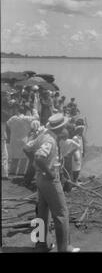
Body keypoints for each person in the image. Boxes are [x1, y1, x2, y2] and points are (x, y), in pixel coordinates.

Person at [23, 113, 80, 252]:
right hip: (49, 179)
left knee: (42, 212)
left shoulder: (43, 134)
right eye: (64, 126)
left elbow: (26, 148)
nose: (66, 128)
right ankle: (64, 247)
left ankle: (41, 245)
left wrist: (35, 165)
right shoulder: (50, 140)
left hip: (40, 179)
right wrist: (49, 173)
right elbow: (39, 157)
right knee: (61, 213)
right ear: (60, 128)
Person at [6, 103, 39, 176]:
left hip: (14, 139)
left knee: (14, 156)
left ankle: (12, 171)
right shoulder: (26, 119)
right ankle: (21, 172)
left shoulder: (13, 118)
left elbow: (7, 124)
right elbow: (36, 117)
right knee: (24, 157)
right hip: (24, 139)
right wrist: (32, 109)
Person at [23, 120, 47, 187]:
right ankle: (27, 181)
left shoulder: (34, 132)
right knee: (33, 165)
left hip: (28, 149)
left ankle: (27, 179)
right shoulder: (37, 132)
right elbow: (33, 143)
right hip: (30, 149)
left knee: (32, 164)